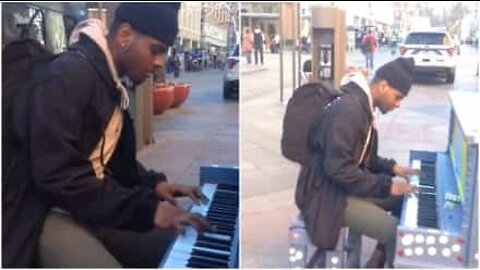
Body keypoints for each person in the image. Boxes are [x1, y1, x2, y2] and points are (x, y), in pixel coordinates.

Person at [2, 3, 211, 268]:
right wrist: (148, 209)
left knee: (177, 239)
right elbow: (59, 176)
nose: (160, 63)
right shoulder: (69, 76)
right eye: (155, 50)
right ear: (124, 35)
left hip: (79, 204)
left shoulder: (108, 81)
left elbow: (105, 157)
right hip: (37, 215)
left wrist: (152, 185)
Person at [295, 57, 419, 268]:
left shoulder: (362, 107)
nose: (398, 104)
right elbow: (338, 168)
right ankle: (385, 257)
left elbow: (365, 158)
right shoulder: (350, 110)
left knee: (401, 201)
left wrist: (394, 168)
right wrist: (387, 184)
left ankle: (378, 260)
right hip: (324, 196)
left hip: (338, 188)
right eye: (398, 97)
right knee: (393, 231)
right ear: (383, 86)